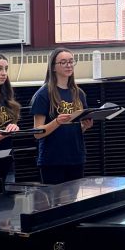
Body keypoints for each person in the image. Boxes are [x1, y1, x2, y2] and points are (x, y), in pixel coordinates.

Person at [30, 47, 94, 184]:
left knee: (74, 202)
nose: (69, 65)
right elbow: (37, 133)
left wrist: (84, 127)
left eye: (71, 61)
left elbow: (76, 126)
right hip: (53, 160)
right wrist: (57, 122)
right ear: (53, 67)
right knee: (56, 203)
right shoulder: (43, 94)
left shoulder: (79, 93)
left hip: (76, 157)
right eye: (63, 62)